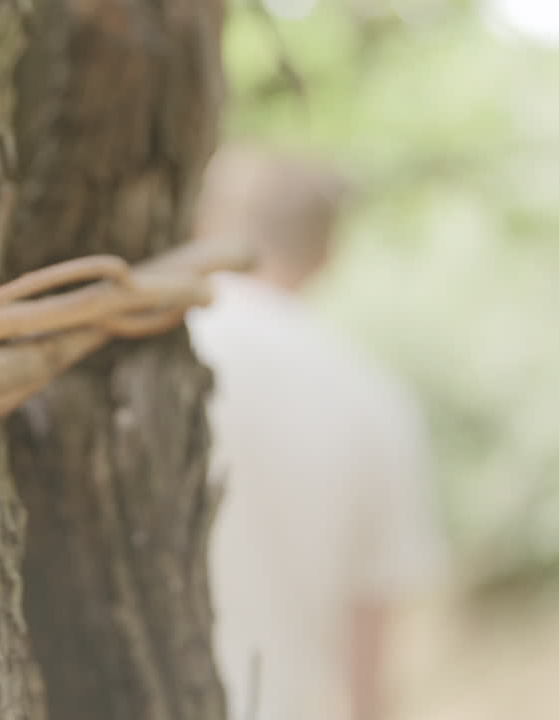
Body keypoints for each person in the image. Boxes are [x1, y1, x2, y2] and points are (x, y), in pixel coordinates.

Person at [187, 146, 447, 720]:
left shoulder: (157, 357)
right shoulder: (375, 398)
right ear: (328, 252)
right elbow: (370, 648)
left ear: (202, 226)